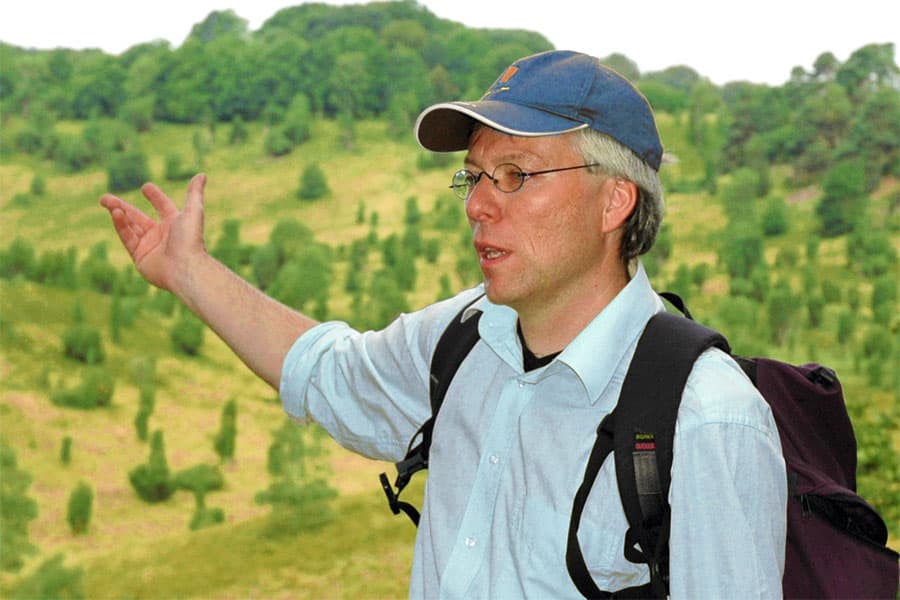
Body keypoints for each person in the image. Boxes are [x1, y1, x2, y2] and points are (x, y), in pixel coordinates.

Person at [101, 49, 787, 598]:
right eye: (474, 177)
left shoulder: (706, 419)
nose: (478, 206)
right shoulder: (461, 341)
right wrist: (188, 270)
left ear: (614, 202)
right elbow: (327, 372)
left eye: (515, 175)